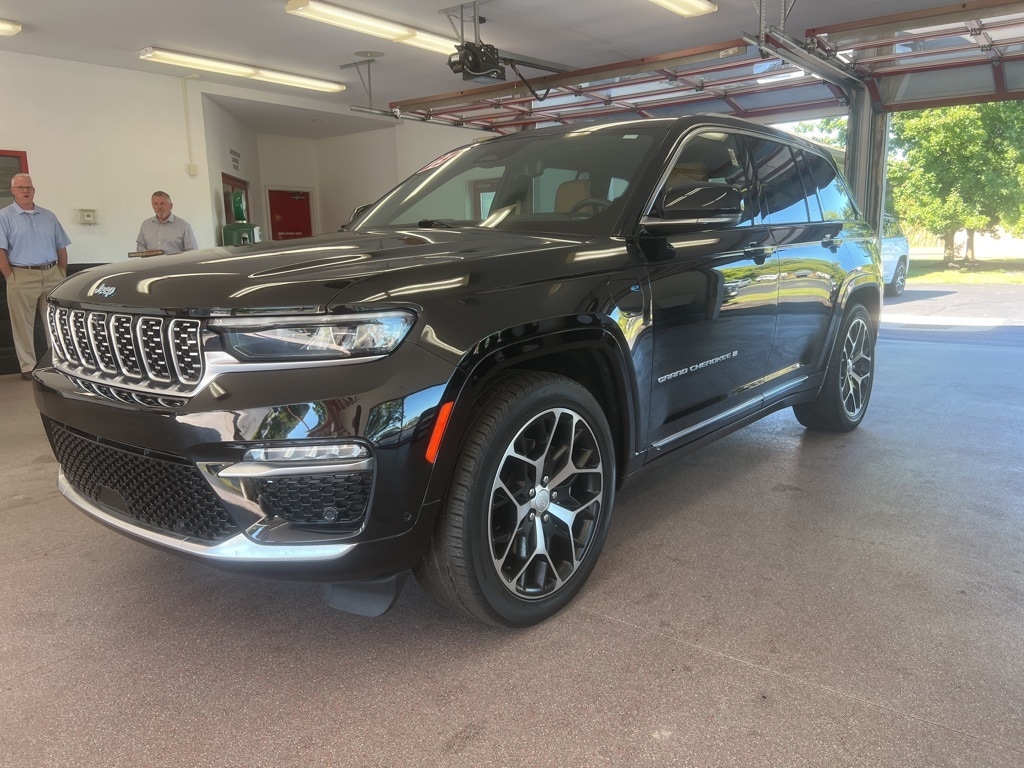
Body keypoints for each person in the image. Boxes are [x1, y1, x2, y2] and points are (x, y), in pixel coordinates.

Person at [0, 173, 71, 380]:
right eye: (20, 188)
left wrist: (61, 272)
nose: (25, 191)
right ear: (13, 191)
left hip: (52, 274)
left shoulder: (48, 216)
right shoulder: (4, 217)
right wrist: (10, 277)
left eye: (29, 188)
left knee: (55, 322)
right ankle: (28, 367)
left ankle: (57, 362)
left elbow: (61, 246)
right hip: (21, 275)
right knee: (22, 324)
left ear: (34, 190)